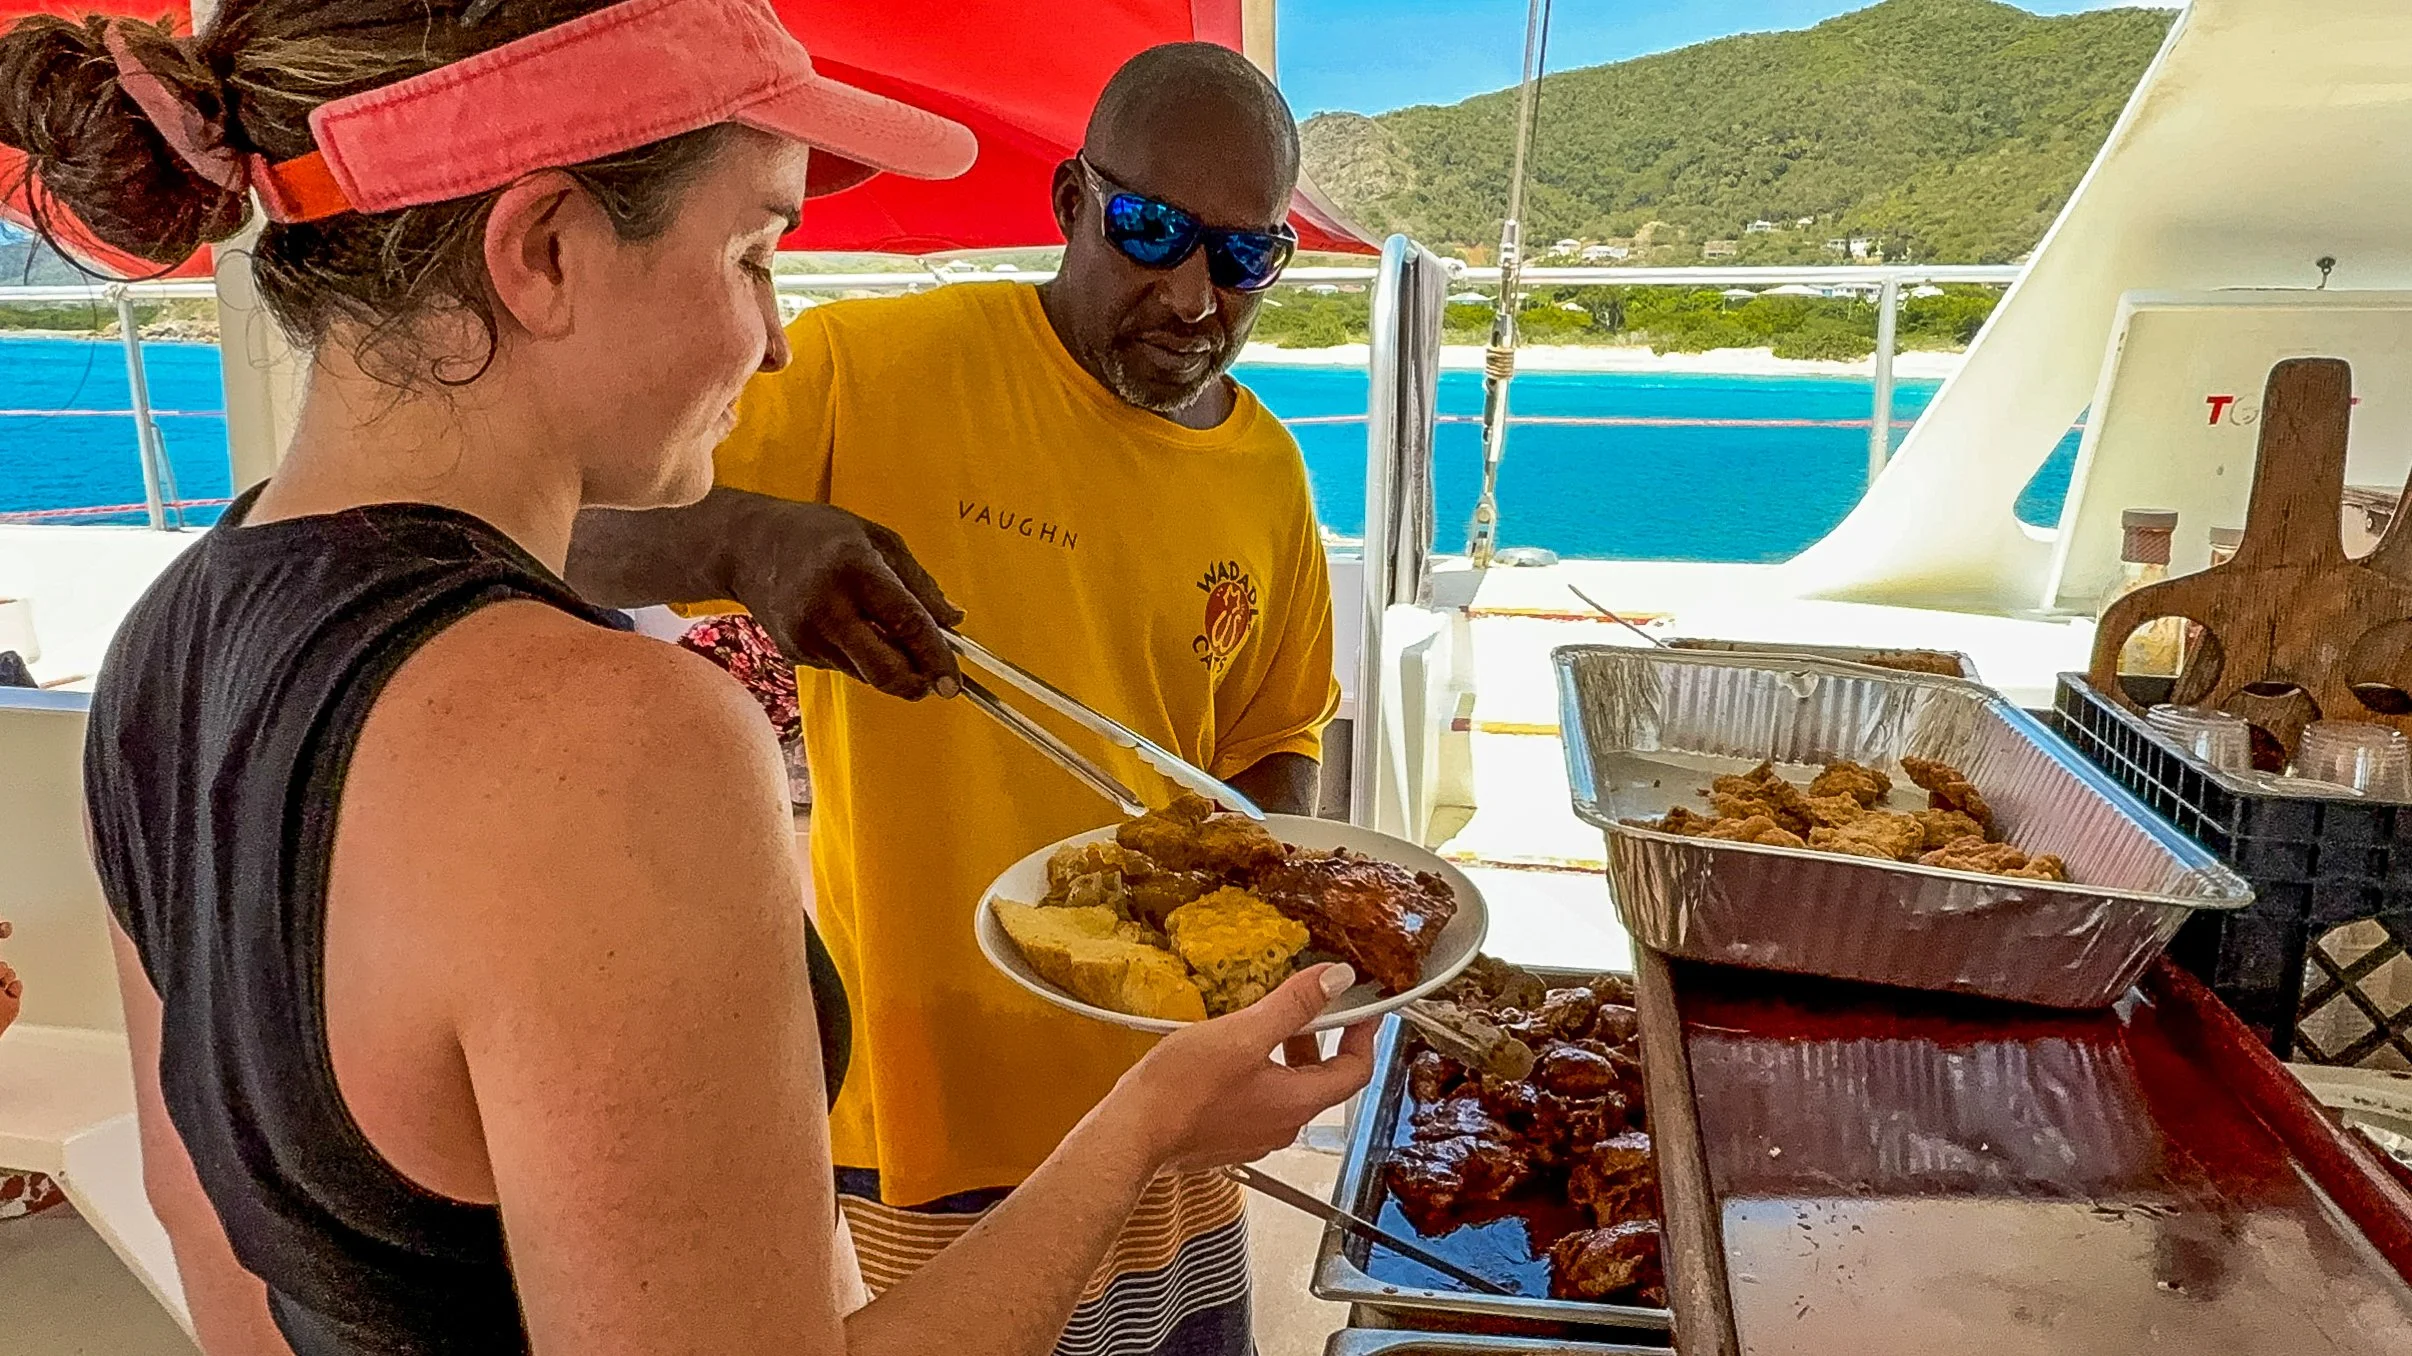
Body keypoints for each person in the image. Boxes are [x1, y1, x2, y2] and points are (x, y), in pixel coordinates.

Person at [6, 3, 1373, 1353]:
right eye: (754, 251)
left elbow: (213, 1237)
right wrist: (1145, 1125)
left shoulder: (171, 638)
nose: (774, 338)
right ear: (542, 250)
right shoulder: (625, 744)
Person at [570, 42, 1338, 1354]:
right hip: (930, 1102)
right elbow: (553, 531)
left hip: (1172, 1095)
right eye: (1151, 231)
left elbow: (1273, 735)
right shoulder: (873, 367)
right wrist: (744, 540)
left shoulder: (1268, 470)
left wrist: (1257, 914)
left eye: (1243, 258)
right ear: (1071, 204)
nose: (1195, 293)